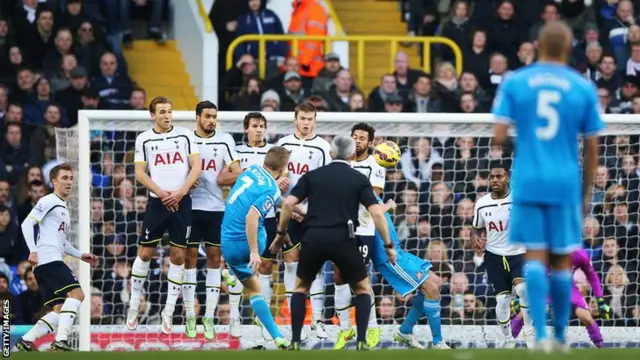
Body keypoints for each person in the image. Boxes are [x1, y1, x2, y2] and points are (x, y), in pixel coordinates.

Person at [492, 21, 604, 352]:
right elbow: (593, 146)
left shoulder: (516, 82)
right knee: (560, 261)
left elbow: (499, 136)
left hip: (528, 180)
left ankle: (539, 337)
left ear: (537, 45)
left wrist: (525, 146)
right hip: (564, 182)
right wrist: (584, 193)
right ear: (570, 47)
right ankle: (559, 337)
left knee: (536, 259)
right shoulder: (581, 86)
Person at [271, 135, 396, 351]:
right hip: (344, 238)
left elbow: (289, 203)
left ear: (330, 154)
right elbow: (375, 212)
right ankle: (362, 341)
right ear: (352, 154)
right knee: (363, 289)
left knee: (300, 288)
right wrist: (388, 245)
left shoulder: (313, 176)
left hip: (314, 237)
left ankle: (295, 341)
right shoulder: (358, 179)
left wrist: (281, 232)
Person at [126, 97, 202, 334]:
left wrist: (180, 192)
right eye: (162, 112)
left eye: (169, 111)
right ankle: (134, 305)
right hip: (158, 202)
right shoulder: (144, 139)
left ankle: (168, 311)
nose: (167, 115)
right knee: (145, 252)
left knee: (179, 256)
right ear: (152, 115)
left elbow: (196, 166)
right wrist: (161, 193)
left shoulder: (185, 135)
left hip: (182, 201)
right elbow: (139, 172)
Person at [17, 163, 99, 352]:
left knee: (59, 309)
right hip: (49, 260)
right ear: (54, 181)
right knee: (77, 295)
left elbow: (60, 242)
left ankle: (26, 340)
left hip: (46, 262)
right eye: (64, 178)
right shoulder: (49, 200)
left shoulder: (61, 206)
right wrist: (33, 250)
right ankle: (61, 340)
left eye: (71, 178)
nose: (69, 182)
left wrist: (81, 255)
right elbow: (26, 224)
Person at [220, 146, 292, 349]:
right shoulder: (271, 187)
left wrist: (291, 207)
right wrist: (254, 251)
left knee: (239, 269)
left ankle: (230, 272)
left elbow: (275, 201)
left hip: (227, 244)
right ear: (283, 167)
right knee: (255, 290)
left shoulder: (251, 169)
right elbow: (252, 215)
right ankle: (277, 336)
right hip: (250, 243)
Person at [183, 101, 242, 339]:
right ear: (197, 117)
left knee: (215, 260)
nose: (211, 120)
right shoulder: (186, 139)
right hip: (188, 206)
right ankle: (189, 315)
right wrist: (186, 177)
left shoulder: (225, 140)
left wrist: (224, 177)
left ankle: (208, 316)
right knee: (188, 259)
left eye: (214, 117)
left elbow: (237, 171)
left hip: (216, 208)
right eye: (207, 116)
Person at [275, 102, 331, 339]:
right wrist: (289, 203)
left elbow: (326, 183)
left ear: (315, 120)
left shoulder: (322, 147)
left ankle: (317, 319)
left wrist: (305, 209)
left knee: (315, 267)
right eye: (303, 119)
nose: (306, 123)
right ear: (295, 119)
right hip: (288, 211)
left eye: (310, 119)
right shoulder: (283, 144)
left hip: (312, 213)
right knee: (290, 263)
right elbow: (274, 179)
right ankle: (292, 319)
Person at [365, 196, 449, 350]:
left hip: (398, 251)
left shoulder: (372, 192)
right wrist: (389, 205)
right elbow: (371, 213)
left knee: (436, 281)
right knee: (430, 287)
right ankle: (438, 342)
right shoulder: (360, 189)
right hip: (387, 256)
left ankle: (405, 331)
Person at [334, 123, 388, 349]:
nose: (357, 141)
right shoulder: (340, 163)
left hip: (363, 228)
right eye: (354, 136)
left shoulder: (375, 165)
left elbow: (371, 197)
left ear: (369, 142)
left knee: (359, 279)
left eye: (362, 138)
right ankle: (345, 329)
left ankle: (373, 325)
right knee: (338, 276)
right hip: (338, 226)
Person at [235, 112, 289, 340]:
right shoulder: (237, 152)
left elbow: (283, 182)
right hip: (241, 216)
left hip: (266, 216)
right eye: (255, 126)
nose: (259, 129)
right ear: (246, 129)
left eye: (262, 126)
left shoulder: (273, 153)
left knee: (266, 266)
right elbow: (226, 178)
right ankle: (234, 319)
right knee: (237, 267)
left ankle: (262, 319)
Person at [471, 164, 532, 348]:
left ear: (507, 178)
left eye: (499, 176)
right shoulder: (482, 203)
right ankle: (508, 338)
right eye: (492, 177)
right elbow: (476, 227)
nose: (495, 180)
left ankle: (529, 331)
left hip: (518, 252)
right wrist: (474, 237)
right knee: (502, 300)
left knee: (523, 290)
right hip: (494, 255)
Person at [510, 248, 611, 348]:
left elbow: (592, 275)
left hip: (568, 288)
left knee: (585, 317)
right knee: (526, 313)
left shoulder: (580, 254)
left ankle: (600, 346)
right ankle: (509, 340)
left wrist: (600, 300)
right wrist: (521, 297)